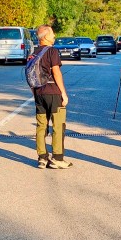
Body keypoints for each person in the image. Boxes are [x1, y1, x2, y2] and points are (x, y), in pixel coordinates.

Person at [32, 25, 72, 169]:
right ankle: (57, 158)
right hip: (53, 93)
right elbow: (56, 73)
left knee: (41, 126)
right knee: (58, 126)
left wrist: (35, 93)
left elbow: (30, 75)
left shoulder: (33, 53)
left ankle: (42, 158)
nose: (54, 36)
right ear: (46, 37)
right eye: (53, 34)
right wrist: (63, 93)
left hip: (39, 93)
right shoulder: (52, 51)